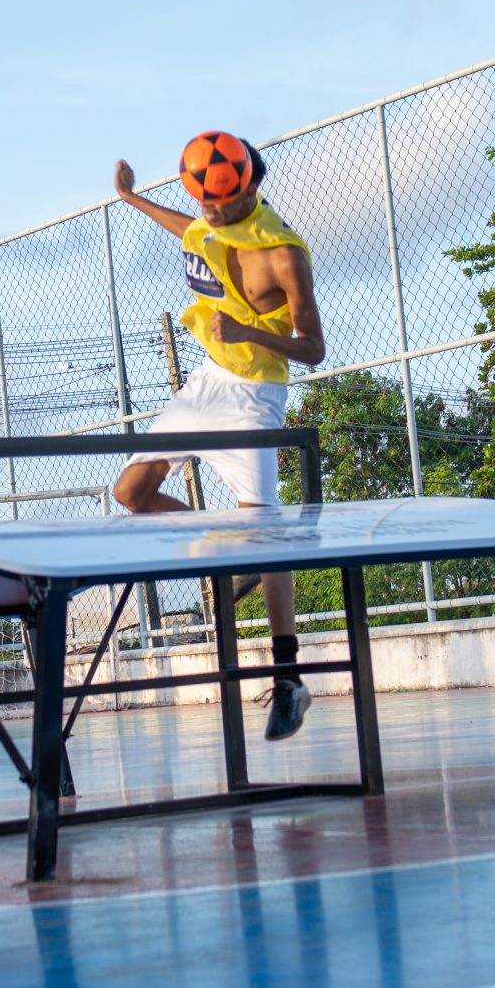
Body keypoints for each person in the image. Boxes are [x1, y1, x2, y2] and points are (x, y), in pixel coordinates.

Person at [109, 133, 326, 740]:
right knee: (132, 491)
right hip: (206, 382)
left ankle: (289, 677)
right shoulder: (203, 222)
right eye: (201, 202)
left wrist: (252, 333)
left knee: (267, 529)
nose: (208, 212)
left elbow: (314, 349)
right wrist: (130, 197)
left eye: (220, 204)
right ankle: (228, 557)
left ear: (249, 187)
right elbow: (181, 224)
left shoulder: (284, 254)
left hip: (254, 397)